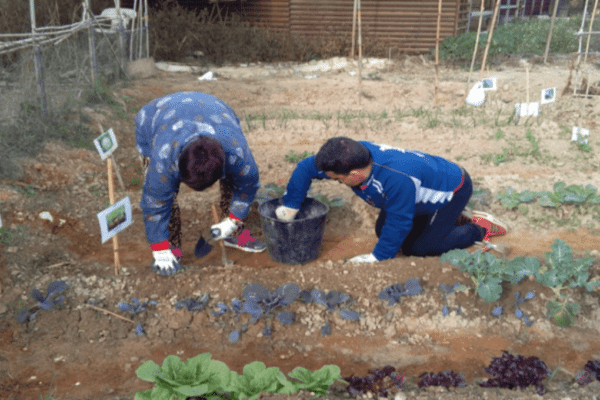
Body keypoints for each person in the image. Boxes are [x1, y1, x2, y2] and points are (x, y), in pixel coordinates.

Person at [275, 137, 507, 263]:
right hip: (419, 190)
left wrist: (376, 257)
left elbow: (399, 222)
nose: (333, 180)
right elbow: (307, 166)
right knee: (382, 231)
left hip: (451, 190)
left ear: (353, 176)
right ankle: (444, 223)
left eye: (337, 180)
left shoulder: (395, 180)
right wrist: (292, 204)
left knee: (419, 248)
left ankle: (478, 228)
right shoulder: (351, 157)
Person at [136, 91, 266, 276]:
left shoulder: (237, 151)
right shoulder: (163, 160)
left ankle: (234, 233)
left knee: (235, 178)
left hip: (215, 110)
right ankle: (170, 249)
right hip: (155, 116)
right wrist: (159, 248)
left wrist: (233, 220)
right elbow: (155, 203)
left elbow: (247, 185)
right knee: (164, 193)